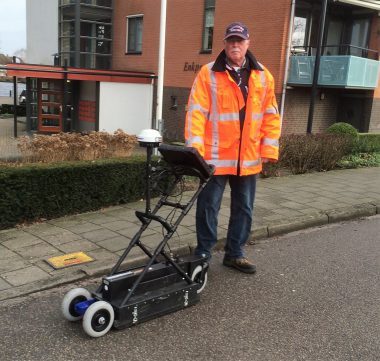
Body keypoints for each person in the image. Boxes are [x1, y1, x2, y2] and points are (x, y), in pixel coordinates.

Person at [185, 22, 281, 274]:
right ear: (225, 44)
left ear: (248, 43)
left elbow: (271, 114)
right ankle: (204, 252)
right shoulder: (208, 73)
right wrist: (195, 150)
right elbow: (196, 112)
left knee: (244, 208)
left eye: (239, 40)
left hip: (247, 157)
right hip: (214, 156)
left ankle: (235, 254)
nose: (235, 44)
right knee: (208, 206)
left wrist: (269, 149)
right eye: (231, 40)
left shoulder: (263, 76)